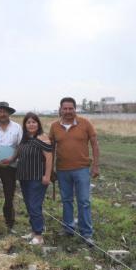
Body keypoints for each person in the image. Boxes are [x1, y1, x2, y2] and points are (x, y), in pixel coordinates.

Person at [49, 97, 100, 246]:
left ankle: (86, 233)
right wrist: (50, 169)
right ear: (60, 109)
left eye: (71, 108)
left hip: (82, 169)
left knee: (84, 201)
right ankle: (68, 228)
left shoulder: (85, 123)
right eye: (65, 108)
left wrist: (95, 165)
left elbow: (95, 145)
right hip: (63, 170)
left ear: (75, 109)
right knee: (66, 200)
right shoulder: (54, 126)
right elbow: (50, 149)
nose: (68, 111)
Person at [16, 112, 53, 245]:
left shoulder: (43, 138)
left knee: (34, 205)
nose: (31, 124)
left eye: (33, 122)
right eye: (28, 122)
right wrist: (9, 159)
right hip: (24, 177)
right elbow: (19, 153)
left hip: (37, 178)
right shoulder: (25, 139)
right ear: (25, 125)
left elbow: (49, 158)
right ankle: (33, 231)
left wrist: (47, 176)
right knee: (29, 205)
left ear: (38, 124)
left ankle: (39, 235)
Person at [0, 101, 22, 234]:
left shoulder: (17, 127)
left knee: (9, 195)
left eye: (5, 111)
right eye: (0, 111)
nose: (2, 113)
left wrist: (12, 158)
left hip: (10, 165)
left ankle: (10, 223)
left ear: (9, 113)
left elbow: (20, 146)